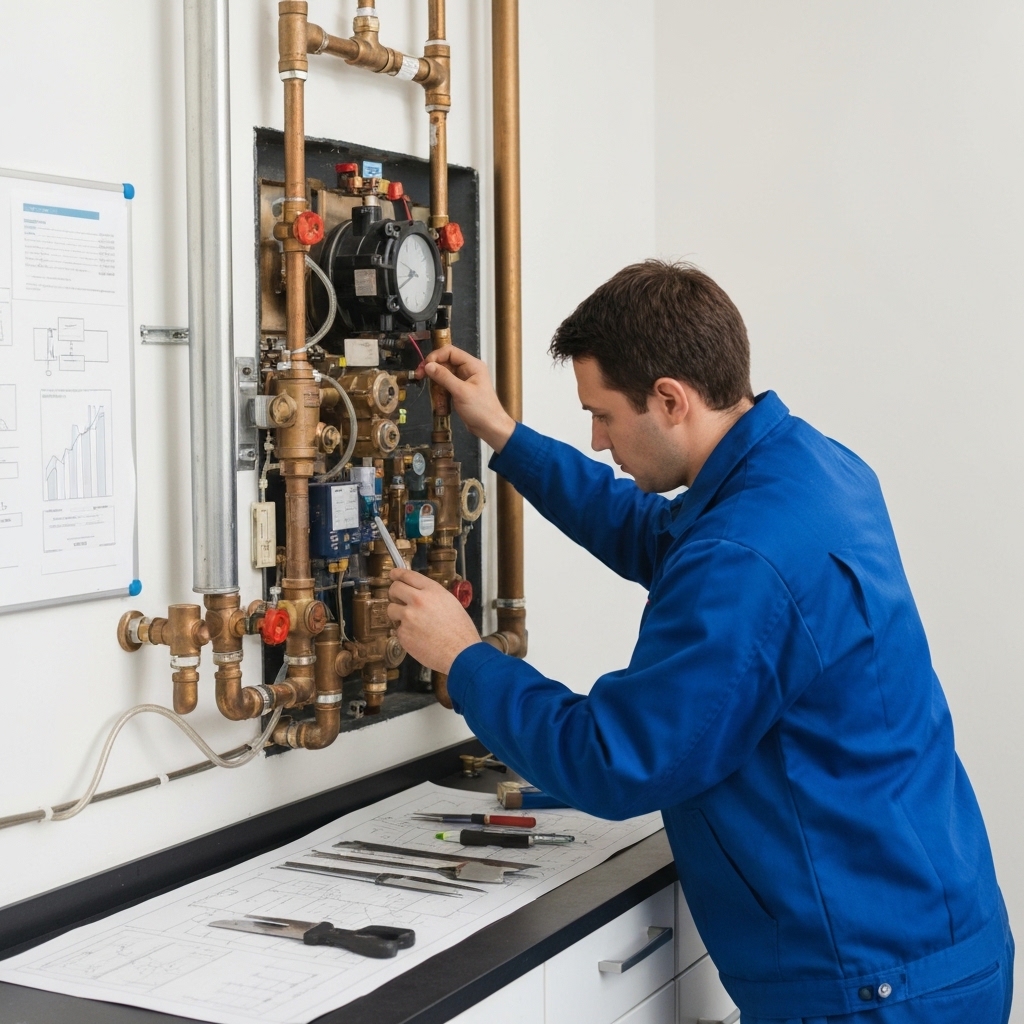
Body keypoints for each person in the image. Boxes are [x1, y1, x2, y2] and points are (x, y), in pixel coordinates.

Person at [386, 261, 1013, 1024]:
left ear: (670, 400)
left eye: (604, 417)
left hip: (870, 987)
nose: (596, 438)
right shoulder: (801, 468)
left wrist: (463, 658)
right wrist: (505, 436)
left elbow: (618, 759)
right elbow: (658, 534)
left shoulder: (744, 556)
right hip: (931, 936)